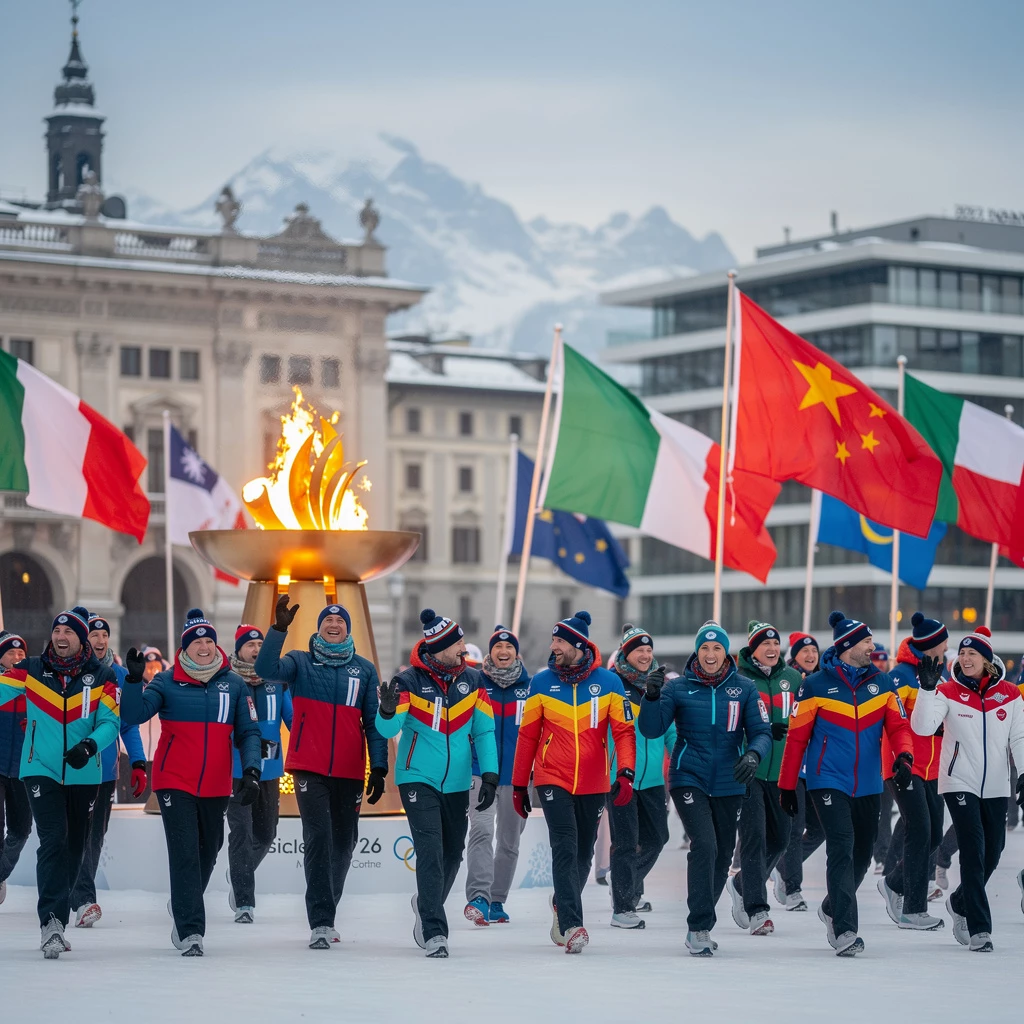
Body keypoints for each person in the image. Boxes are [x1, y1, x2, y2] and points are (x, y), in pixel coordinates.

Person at [121, 609, 261, 957]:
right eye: (197, 641)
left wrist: (252, 771)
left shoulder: (234, 683)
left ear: (216, 645)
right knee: (184, 853)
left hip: (215, 785)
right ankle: (190, 931)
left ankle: (184, 902)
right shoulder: (166, 681)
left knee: (209, 850)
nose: (204, 646)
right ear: (186, 647)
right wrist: (133, 683)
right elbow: (134, 716)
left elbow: (249, 732)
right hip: (174, 782)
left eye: (209, 640)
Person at [778, 610, 913, 957]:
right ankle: (845, 929)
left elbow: (898, 727)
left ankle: (831, 906)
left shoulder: (881, 683)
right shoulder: (816, 685)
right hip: (828, 780)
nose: (872, 646)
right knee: (841, 846)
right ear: (848, 646)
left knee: (863, 855)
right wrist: (787, 785)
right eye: (866, 641)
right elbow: (796, 739)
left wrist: (904, 756)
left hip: (869, 783)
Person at [255, 598, 388, 949]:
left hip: (349, 769)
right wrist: (278, 629)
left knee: (344, 842)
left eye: (340, 621)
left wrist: (379, 767)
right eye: (328, 620)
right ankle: (321, 921)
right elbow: (267, 668)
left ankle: (327, 908)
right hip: (308, 767)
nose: (334, 624)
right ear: (319, 628)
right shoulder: (300, 661)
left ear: (348, 628)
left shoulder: (364, 669)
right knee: (318, 837)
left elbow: (373, 723)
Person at [639, 621, 771, 956]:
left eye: (716, 648)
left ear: (726, 652)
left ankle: (703, 922)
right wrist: (651, 696)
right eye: (704, 648)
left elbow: (762, 731)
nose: (710, 654)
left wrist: (754, 755)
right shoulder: (679, 688)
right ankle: (698, 926)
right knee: (705, 844)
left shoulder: (743, 688)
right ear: (696, 651)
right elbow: (652, 729)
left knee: (724, 853)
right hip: (688, 777)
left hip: (730, 781)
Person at [512, 610, 635, 955]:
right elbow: (527, 738)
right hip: (553, 777)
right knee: (564, 846)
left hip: (595, 782)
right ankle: (571, 924)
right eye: (553, 640)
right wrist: (520, 785)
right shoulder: (541, 683)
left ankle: (561, 901)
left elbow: (624, 733)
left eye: (559, 641)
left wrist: (625, 772)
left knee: (582, 853)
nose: (553, 647)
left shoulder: (609, 683)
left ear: (579, 645)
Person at [377, 608, 498, 958]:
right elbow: (388, 731)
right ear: (440, 647)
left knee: (452, 854)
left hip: (457, 783)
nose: (464, 647)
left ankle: (426, 902)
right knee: (430, 851)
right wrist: (386, 712)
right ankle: (435, 931)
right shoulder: (408, 682)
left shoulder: (473, 682)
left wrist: (489, 774)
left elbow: (484, 731)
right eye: (458, 642)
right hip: (417, 778)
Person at [0, 608, 120, 958]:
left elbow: (110, 722)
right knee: (52, 839)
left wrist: (89, 746)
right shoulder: (31, 670)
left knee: (74, 845)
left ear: (81, 639)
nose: (61, 637)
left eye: (68, 632)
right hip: (40, 768)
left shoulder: (103, 675)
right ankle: (51, 922)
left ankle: (59, 911)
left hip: (84, 770)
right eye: (56, 631)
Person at [911, 625, 1024, 952]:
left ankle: (960, 901)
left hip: (996, 785)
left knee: (994, 849)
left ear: (987, 659)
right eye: (961, 652)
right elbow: (923, 727)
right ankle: (979, 929)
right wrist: (927, 690)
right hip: (958, 780)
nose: (964, 657)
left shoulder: (1010, 694)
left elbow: (1018, 738)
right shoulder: (947, 690)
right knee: (973, 850)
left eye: (972, 653)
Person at [70, 613, 148, 929]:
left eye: (104, 636)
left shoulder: (119, 675)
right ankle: (84, 899)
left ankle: (77, 891)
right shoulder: (72, 672)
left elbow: (128, 724)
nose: (100, 641)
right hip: (75, 767)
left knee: (96, 834)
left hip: (106, 770)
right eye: (94, 636)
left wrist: (139, 762)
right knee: (79, 832)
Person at [876, 612, 949, 930]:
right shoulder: (901, 676)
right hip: (903, 765)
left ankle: (894, 882)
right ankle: (913, 907)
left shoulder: (942, 675)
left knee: (932, 834)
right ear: (932, 644)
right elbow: (897, 722)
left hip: (934, 768)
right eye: (943, 642)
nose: (947, 647)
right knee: (919, 830)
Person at [728, 620, 801, 936]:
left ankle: (743, 883)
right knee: (755, 836)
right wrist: (757, 733)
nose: (772, 649)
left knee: (781, 838)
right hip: (749, 771)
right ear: (752, 649)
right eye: (764, 644)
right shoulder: (739, 679)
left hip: (783, 772)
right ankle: (757, 910)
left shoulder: (793, 679)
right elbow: (729, 725)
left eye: (775, 644)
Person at [607, 624, 674, 929]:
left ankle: (625, 880)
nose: (646, 655)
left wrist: (679, 757)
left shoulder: (658, 686)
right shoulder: (612, 683)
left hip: (653, 779)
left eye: (649, 650)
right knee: (625, 842)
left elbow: (670, 727)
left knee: (658, 838)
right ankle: (623, 906)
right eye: (639, 650)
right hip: (620, 775)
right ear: (626, 653)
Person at [464, 625, 530, 926]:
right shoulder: (477, 683)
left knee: (509, 841)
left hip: (517, 778)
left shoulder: (530, 688)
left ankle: (497, 900)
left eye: (509, 648)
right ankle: (478, 897)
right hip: (480, 772)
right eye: (497, 648)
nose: (503, 652)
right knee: (481, 831)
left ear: (517, 653)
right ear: (490, 652)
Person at [226, 624, 292, 924]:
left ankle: (241, 870)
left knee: (266, 834)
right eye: (250, 645)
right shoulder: (227, 681)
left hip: (270, 770)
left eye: (260, 645)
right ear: (239, 649)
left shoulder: (276, 681)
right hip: (236, 769)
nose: (255, 649)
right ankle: (244, 902)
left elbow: (292, 719)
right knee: (241, 833)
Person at [773, 631, 822, 912]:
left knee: (819, 828)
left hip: (818, 766)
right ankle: (792, 888)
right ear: (795, 655)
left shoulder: (824, 681)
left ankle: (782, 867)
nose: (810, 655)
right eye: (805, 651)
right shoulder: (788, 682)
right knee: (794, 828)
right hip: (793, 765)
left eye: (814, 650)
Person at [0, 630, 30, 907]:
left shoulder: (34, 685)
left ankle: (0, 873)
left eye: (22, 653)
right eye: (12, 652)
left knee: (21, 829)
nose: (18, 657)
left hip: (23, 768)